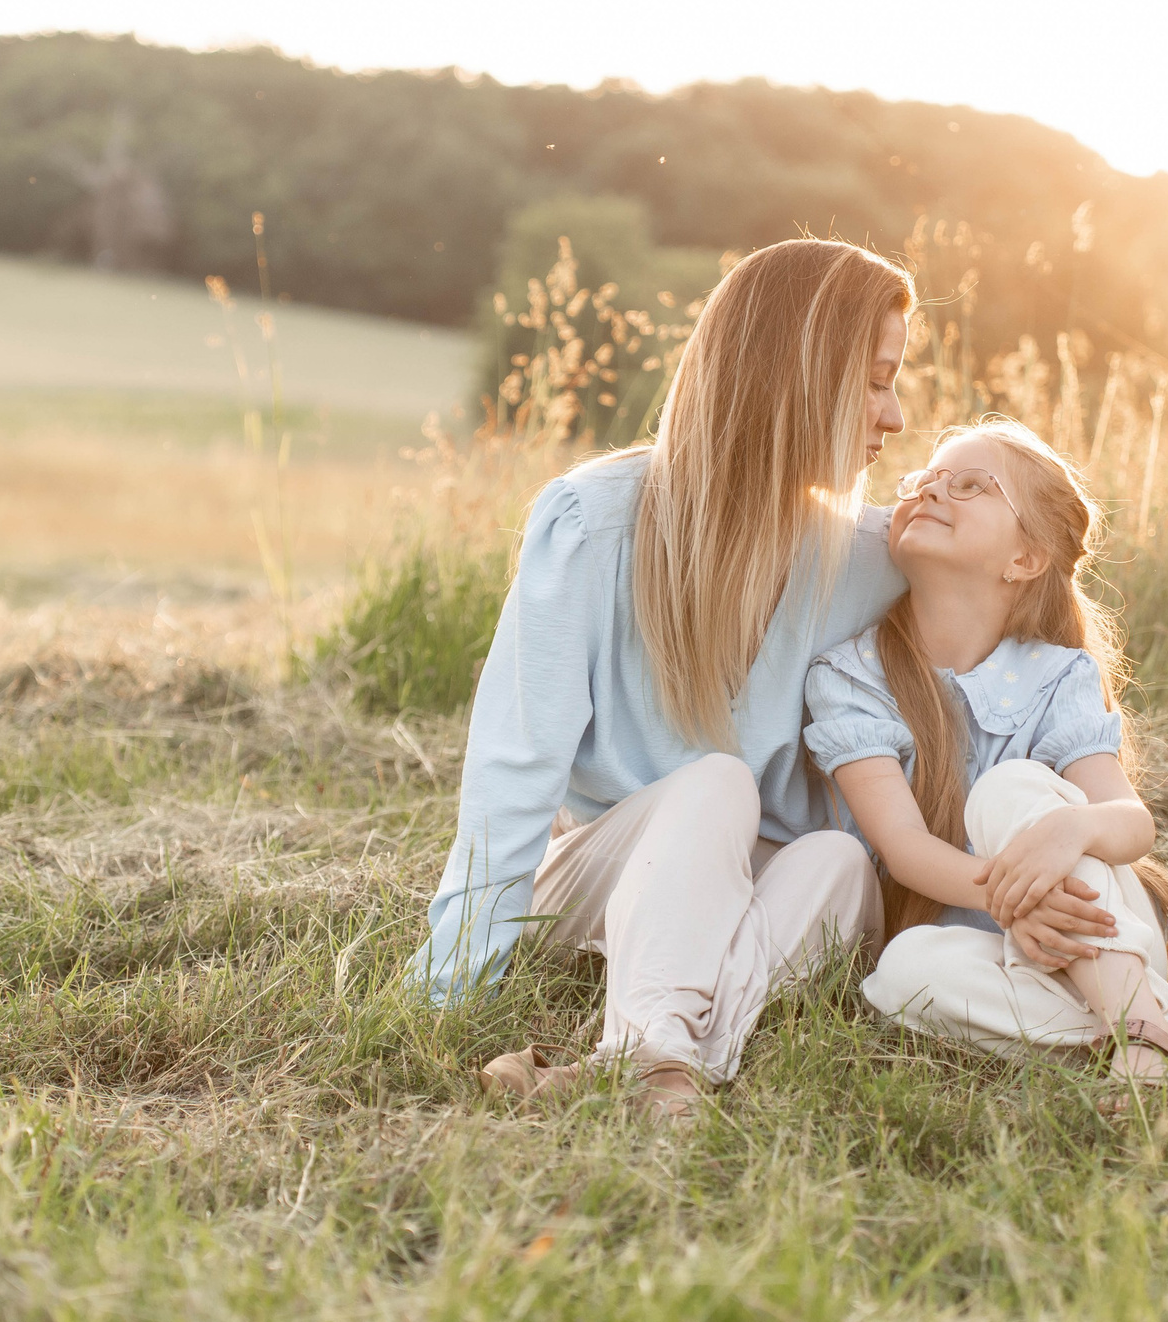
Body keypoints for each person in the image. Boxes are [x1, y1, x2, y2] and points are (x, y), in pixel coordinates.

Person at [407, 241, 1122, 1123]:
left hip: (773, 890)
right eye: (874, 381)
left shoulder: (874, 556)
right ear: (795, 379)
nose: (895, 417)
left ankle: (646, 1064)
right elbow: (513, 774)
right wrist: (448, 990)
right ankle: (651, 1055)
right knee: (716, 782)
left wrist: (1038, 877)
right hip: (605, 873)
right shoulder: (594, 521)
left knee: (836, 859)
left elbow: (1004, 674)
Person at [806, 418, 1168, 1094]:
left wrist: (1074, 827)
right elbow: (903, 848)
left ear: (1025, 558)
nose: (931, 490)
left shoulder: (1057, 674)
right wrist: (1017, 902)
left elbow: (1129, 822)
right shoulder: (850, 675)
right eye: (923, 480)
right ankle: (1165, 1038)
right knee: (901, 971)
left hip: (1102, 929)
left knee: (1010, 790)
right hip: (979, 943)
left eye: (970, 484)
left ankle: (1134, 1031)